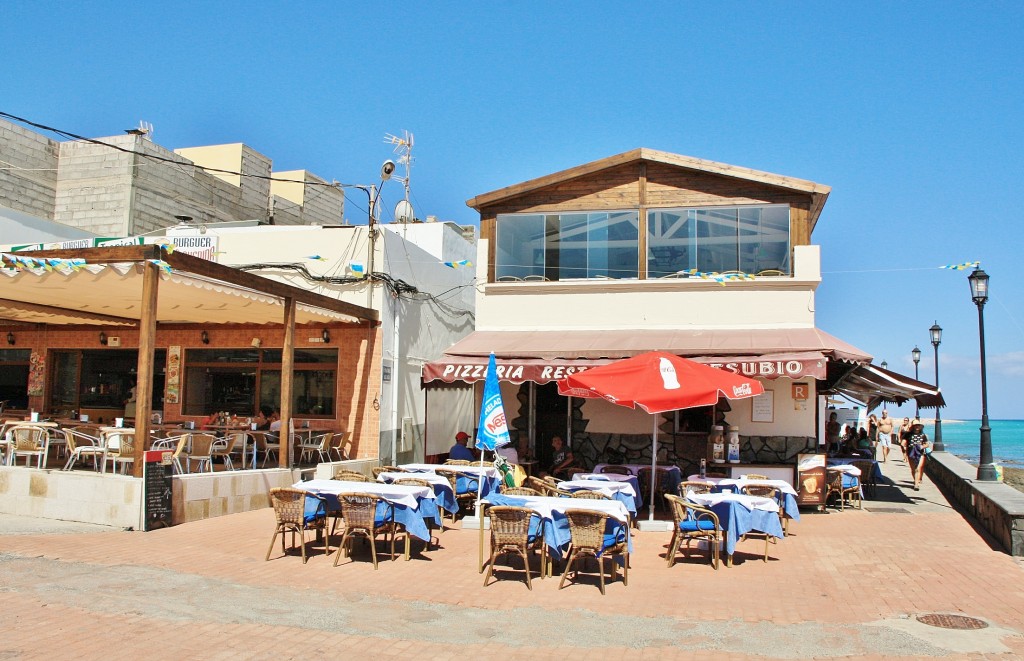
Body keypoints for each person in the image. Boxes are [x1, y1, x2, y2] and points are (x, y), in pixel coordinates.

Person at [906, 420, 931, 490]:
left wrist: (921, 447)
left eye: (918, 425)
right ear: (913, 426)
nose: (917, 426)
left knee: (917, 468)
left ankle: (916, 485)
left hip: (920, 453)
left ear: (920, 427)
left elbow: (927, 444)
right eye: (915, 425)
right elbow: (903, 442)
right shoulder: (908, 434)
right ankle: (915, 481)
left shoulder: (923, 435)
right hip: (911, 453)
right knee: (913, 469)